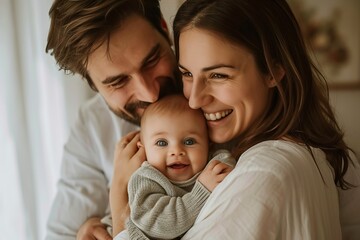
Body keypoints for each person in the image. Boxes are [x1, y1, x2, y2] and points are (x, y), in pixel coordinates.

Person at [168, 0, 359, 239]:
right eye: (186, 73)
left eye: (218, 75)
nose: (194, 100)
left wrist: (124, 212)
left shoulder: (263, 173)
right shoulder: (317, 156)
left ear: (273, 70)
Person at [44, 0, 182, 239]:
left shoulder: (218, 93)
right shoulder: (93, 125)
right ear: (92, 84)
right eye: (118, 82)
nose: (150, 93)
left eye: (151, 61)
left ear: (163, 28)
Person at [104, 94, 235, 239]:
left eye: (189, 141)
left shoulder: (210, 165)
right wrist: (201, 192)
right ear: (144, 150)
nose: (176, 151)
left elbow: (227, 164)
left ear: (208, 145)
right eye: (162, 143)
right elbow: (161, 225)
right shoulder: (146, 180)